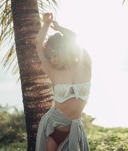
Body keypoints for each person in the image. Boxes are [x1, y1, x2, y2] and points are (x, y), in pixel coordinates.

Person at [35, 13, 92, 151]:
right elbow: (38, 44)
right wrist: (46, 24)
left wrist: (58, 27)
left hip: (74, 128)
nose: (52, 60)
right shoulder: (53, 71)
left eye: (54, 55)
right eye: (50, 57)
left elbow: (74, 38)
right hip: (55, 128)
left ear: (65, 50)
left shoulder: (85, 65)